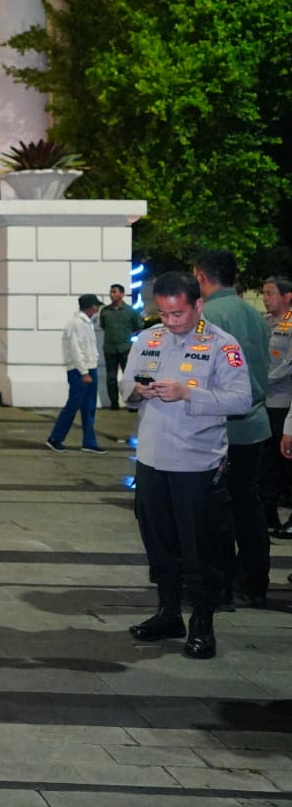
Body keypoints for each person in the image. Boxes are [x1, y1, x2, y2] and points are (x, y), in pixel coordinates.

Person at [121, 270, 252, 658]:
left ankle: (202, 623)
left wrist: (187, 392)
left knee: (201, 548)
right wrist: (137, 391)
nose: (171, 321)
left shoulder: (221, 345)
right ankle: (167, 612)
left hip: (196, 464)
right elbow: (125, 388)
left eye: (178, 313)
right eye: (163, 313)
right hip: (151, 459)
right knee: (158, 541)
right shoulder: (148, 339)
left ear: (197, 305)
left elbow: (241, 400)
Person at [194, 250, 272, 608]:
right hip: (254, 424)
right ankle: (255, 581)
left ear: (200, 276)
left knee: (217, 512)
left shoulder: (206, 316)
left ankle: (220, 586)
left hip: (219, 428)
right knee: (248, 505)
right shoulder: (254, 314)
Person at [45, 294, 106, 453]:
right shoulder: (76, 324)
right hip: (80, 371)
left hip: (88, 369)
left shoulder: (86, 323)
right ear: (91, 307)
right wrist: (84, 372)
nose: (97, 309)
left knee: (89, 407)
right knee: (73, 405)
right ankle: (55, 438)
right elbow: (76, 350)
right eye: (96, 306)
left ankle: (89, 442)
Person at [263, 275, 292, 538]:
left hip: (284, 401)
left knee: (285, 462)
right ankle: (269, 512)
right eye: (264, 293)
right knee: (269, 460)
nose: (265, 297)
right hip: (266, 402)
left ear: (287, 296)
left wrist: (264, 380)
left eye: (270, 293)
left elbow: (288, 364)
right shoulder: (266, 322)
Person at [99, 285, 144, 410]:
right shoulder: (105, 311)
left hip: (126, 349)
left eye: (114, 292)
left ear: (122, 294)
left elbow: (139, 327)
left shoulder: (130, 311)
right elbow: (103, 326)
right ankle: (114, 403)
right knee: (111, 377)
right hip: (110, 349)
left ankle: (131, 403)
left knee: (129, 377)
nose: (111, 294)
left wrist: (127, 338)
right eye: (111, 292)